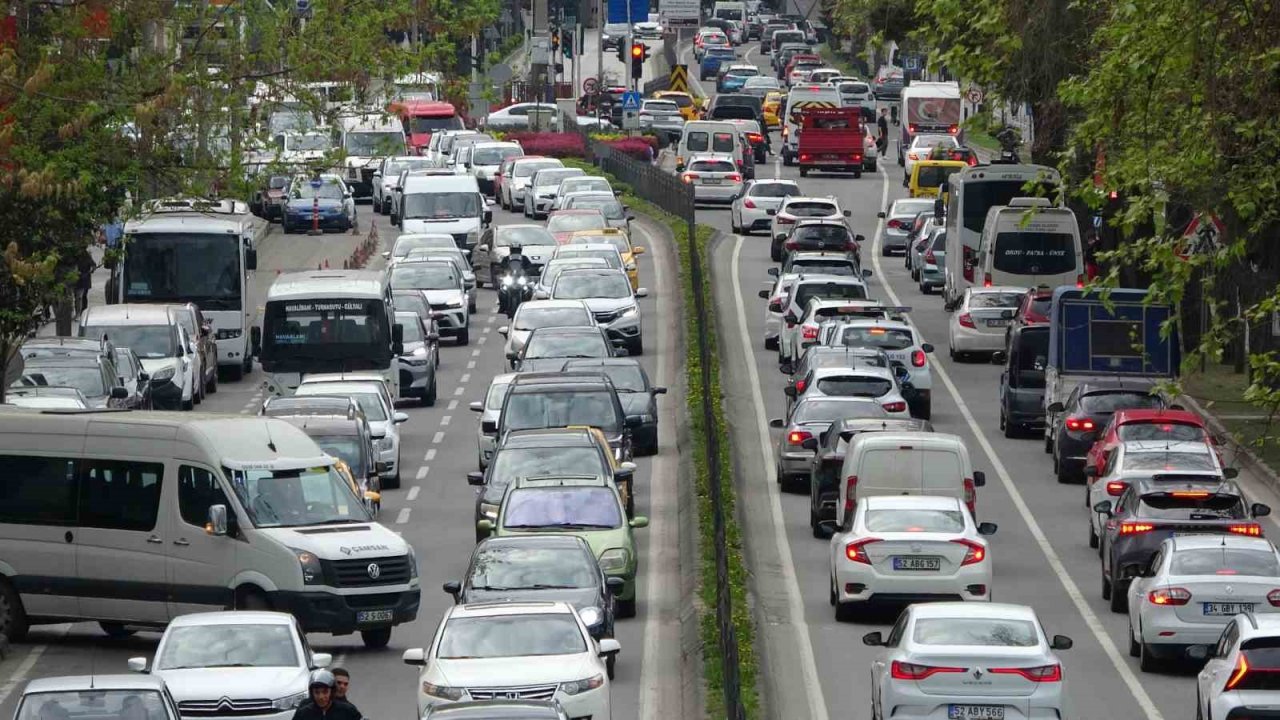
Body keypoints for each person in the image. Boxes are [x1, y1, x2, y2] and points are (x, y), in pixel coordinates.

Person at [291, 670, 360, 720]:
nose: (321, 697)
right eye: (317, 692)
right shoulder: (303, 714)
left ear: (332, 692)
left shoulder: (348, 710)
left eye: (325, 692)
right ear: (312, 693)